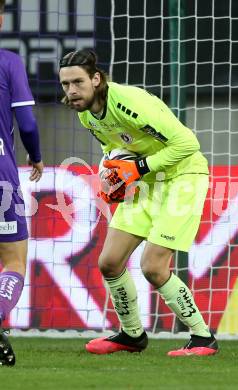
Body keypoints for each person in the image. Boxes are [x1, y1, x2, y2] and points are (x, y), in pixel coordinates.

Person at [59, 49, 218, 357]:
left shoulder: (130, 103)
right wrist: (112, 174)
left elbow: (188, 143)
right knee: (110, 261)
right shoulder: (85, 114)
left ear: (96, 78)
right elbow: (115, 149)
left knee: (153, 267)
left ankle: (202, 337)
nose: (71, 91)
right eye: (65, 84)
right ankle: (132, 335)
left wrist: (138, 169)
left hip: (184, 177)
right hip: (146, 182)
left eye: (77, 82)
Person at [0, 0, 44, 366]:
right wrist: (36, 155)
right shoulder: (9, 61)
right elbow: (27, 123)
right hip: (1, 178)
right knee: (13, 260)